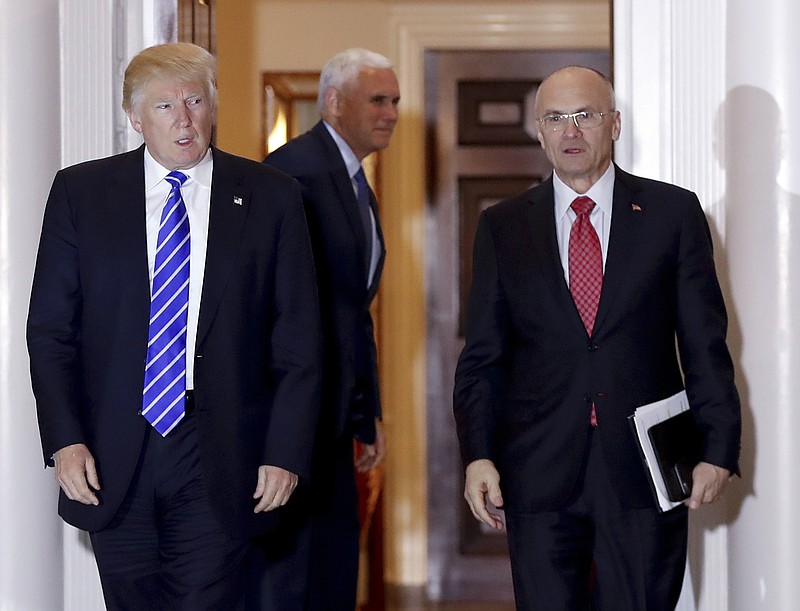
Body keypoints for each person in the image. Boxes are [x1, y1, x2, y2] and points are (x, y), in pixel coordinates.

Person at [26, 42, 322, 611]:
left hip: (221, 451)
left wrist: (285, 450)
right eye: (164, 106)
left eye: (195, 101)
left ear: (213, 107)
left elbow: (298, 340)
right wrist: (64, 440)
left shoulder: (271, 196)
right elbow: (51, 333)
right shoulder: (81, 193)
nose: (184, 119)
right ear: (134, 118)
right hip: (113, 455)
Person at [453, 66, 741, 611]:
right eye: (556, 118)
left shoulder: (672, 213)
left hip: (643, 468)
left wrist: (717, 448)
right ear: (539, 132)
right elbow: (483, 358)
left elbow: (705, 343)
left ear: (614, 124)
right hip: (537, 471)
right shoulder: (503, 227)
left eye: (585, 115)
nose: (571, 131)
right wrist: (477, 455)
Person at [255, 48, 400, 610]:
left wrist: (368, 412)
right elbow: (281, 311)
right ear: (335, 103)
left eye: (394, 101)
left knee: (335, 576)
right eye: (378, 100)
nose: (390, 113)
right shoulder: (294, 173)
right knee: (295, 580)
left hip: (337, 419)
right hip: (296, 420)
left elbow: (351, 310)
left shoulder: (351, 177)